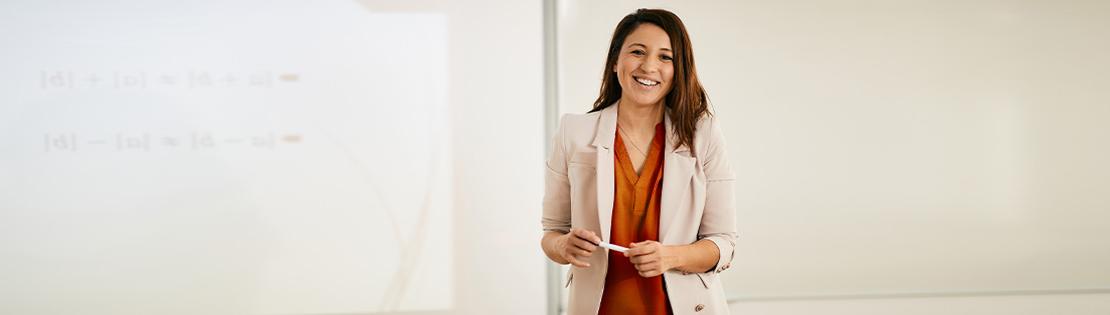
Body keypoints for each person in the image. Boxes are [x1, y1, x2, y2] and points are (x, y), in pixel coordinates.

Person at [540, 8, 738, 315]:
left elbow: (724, 244)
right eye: (637, 52)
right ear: (616, 59)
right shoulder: (574, 131)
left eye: (665, 57)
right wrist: (563, 246)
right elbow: (552, 232)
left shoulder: (703, 134)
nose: (649, 66)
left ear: (679, 69)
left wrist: (670, 257)